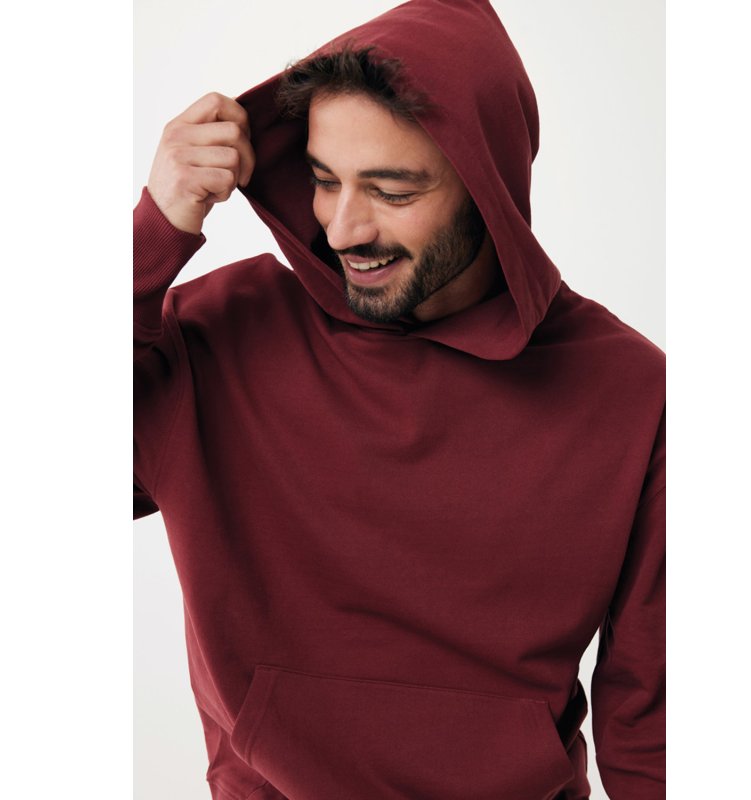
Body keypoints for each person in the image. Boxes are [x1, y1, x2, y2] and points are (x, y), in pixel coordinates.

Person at [134, 1, 665, 798]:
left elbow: (656, 719)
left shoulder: (632, 393)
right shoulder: (222, 333)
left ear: (488, 186)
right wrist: (150, 237)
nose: (343, 228)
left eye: (392, 191)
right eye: (324, 181)